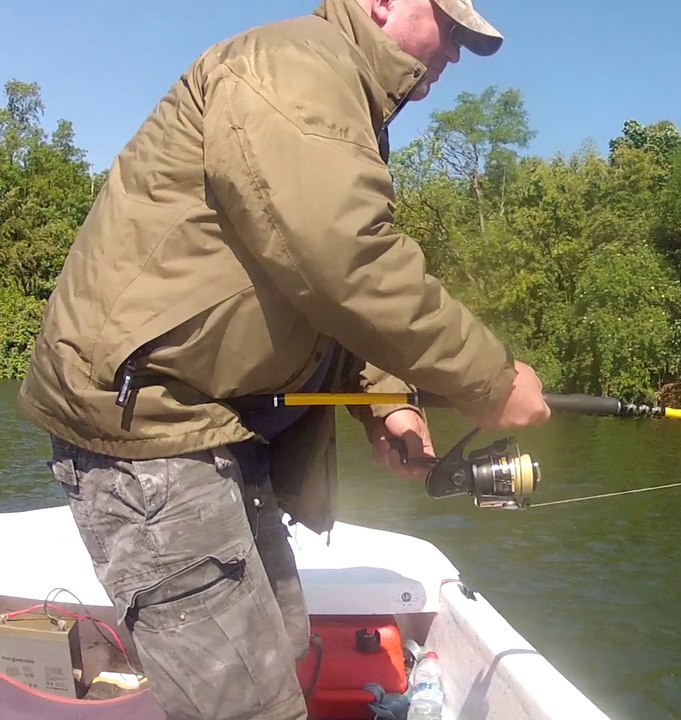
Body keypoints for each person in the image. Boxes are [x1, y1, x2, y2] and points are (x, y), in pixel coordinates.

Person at [17, 0, 549, 718]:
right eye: (449, 27)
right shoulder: (296, 69)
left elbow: (313, 298)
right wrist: (490, 382)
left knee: (290, 639)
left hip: (218, 430)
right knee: (251, 706)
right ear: (382, 3)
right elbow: (343, 258)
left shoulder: (341, 98)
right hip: (147, 433)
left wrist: (385, 400)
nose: (453, 52)